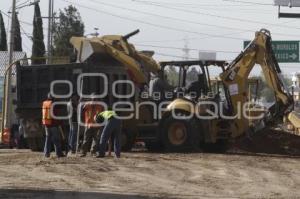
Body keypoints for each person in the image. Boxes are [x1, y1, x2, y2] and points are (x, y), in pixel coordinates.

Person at [42, 93, 64, 158]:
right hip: (53, 125)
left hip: (46, 124)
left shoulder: (45, 103)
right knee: (56, 139)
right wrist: (60, 123)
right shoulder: (53, 104)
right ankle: (58, 153)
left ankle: (46, 154)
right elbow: (55, 115)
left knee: (48, 139)